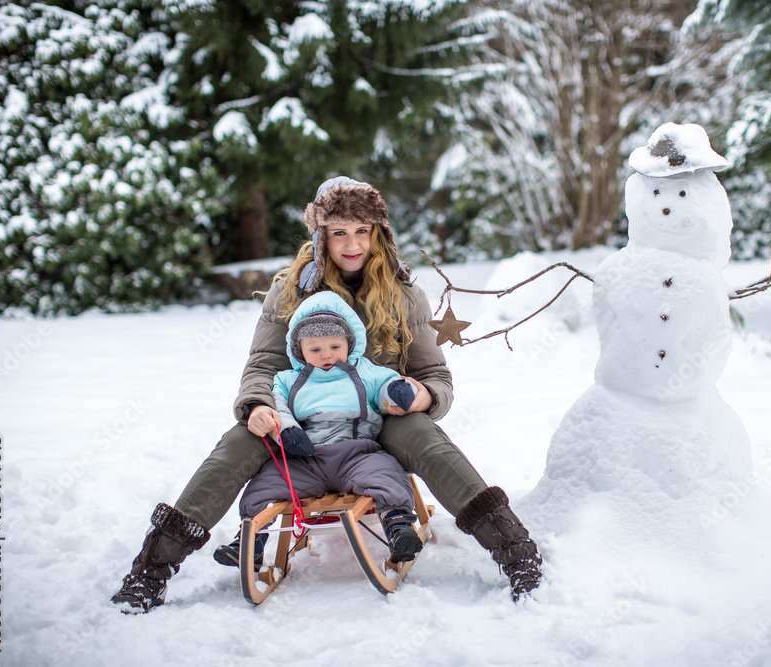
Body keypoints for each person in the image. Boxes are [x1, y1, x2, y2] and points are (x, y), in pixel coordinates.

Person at [111, 176, 543, 613]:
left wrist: (421, 396)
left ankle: (515, 551)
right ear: (322, 236)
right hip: (298, 421)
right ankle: (150, 572)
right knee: (236, 442)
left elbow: (434, 376)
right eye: (339, 232)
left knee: (421, 434)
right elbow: (262, 365)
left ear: (379, 233)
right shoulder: (290, 290)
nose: (352, 244)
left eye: (362, 231)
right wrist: (258, 405)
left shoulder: (405, 295)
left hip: (377, 418)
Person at [214, 290, 425, 568]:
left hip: (356, 454)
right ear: (299, 350)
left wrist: (397, 391)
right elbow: (279, 409)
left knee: (386, 474)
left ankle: (399, 529)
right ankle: (250, 541)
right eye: (315, 349)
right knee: (263, 486)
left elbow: (385, 388)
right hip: (305, 458)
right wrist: (287, 433)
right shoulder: (287, 380)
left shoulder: (366, 371)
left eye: (335, 347)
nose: (326, 354)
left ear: (349, 344)